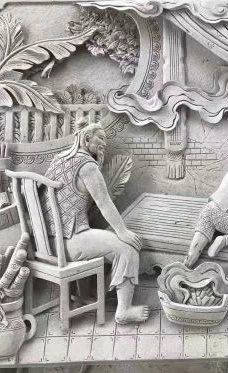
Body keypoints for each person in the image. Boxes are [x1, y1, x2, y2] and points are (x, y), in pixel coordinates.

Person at [40, 123, 149, 324]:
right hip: (68, 243)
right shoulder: (87, 166)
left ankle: (87, 296)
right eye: (101, 138)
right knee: (128, 249)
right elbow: (103, 202)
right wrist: (122, 231)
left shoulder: (59, 159)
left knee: (103, 239)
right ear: (87, 138)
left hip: (45, 244)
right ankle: (123, 310)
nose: (104, 144)